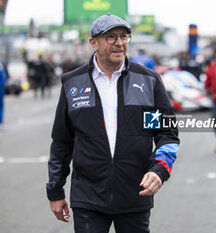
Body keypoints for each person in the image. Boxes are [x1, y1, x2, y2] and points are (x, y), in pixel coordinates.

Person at [46, 13, 180, 233]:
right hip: (88, 197)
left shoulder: (148, 81)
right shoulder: (73, 83)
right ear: (93, 43)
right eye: (111, 37)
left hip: (135, 195)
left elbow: (166, 133)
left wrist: (159, 170)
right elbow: (62, 142)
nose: (119, 43)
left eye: (124, 37)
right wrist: (55, 191)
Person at [0, 62, 7, 126]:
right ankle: (1, 120)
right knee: (1, 106)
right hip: (1, 90)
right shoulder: (1, 71)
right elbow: (4, 80)